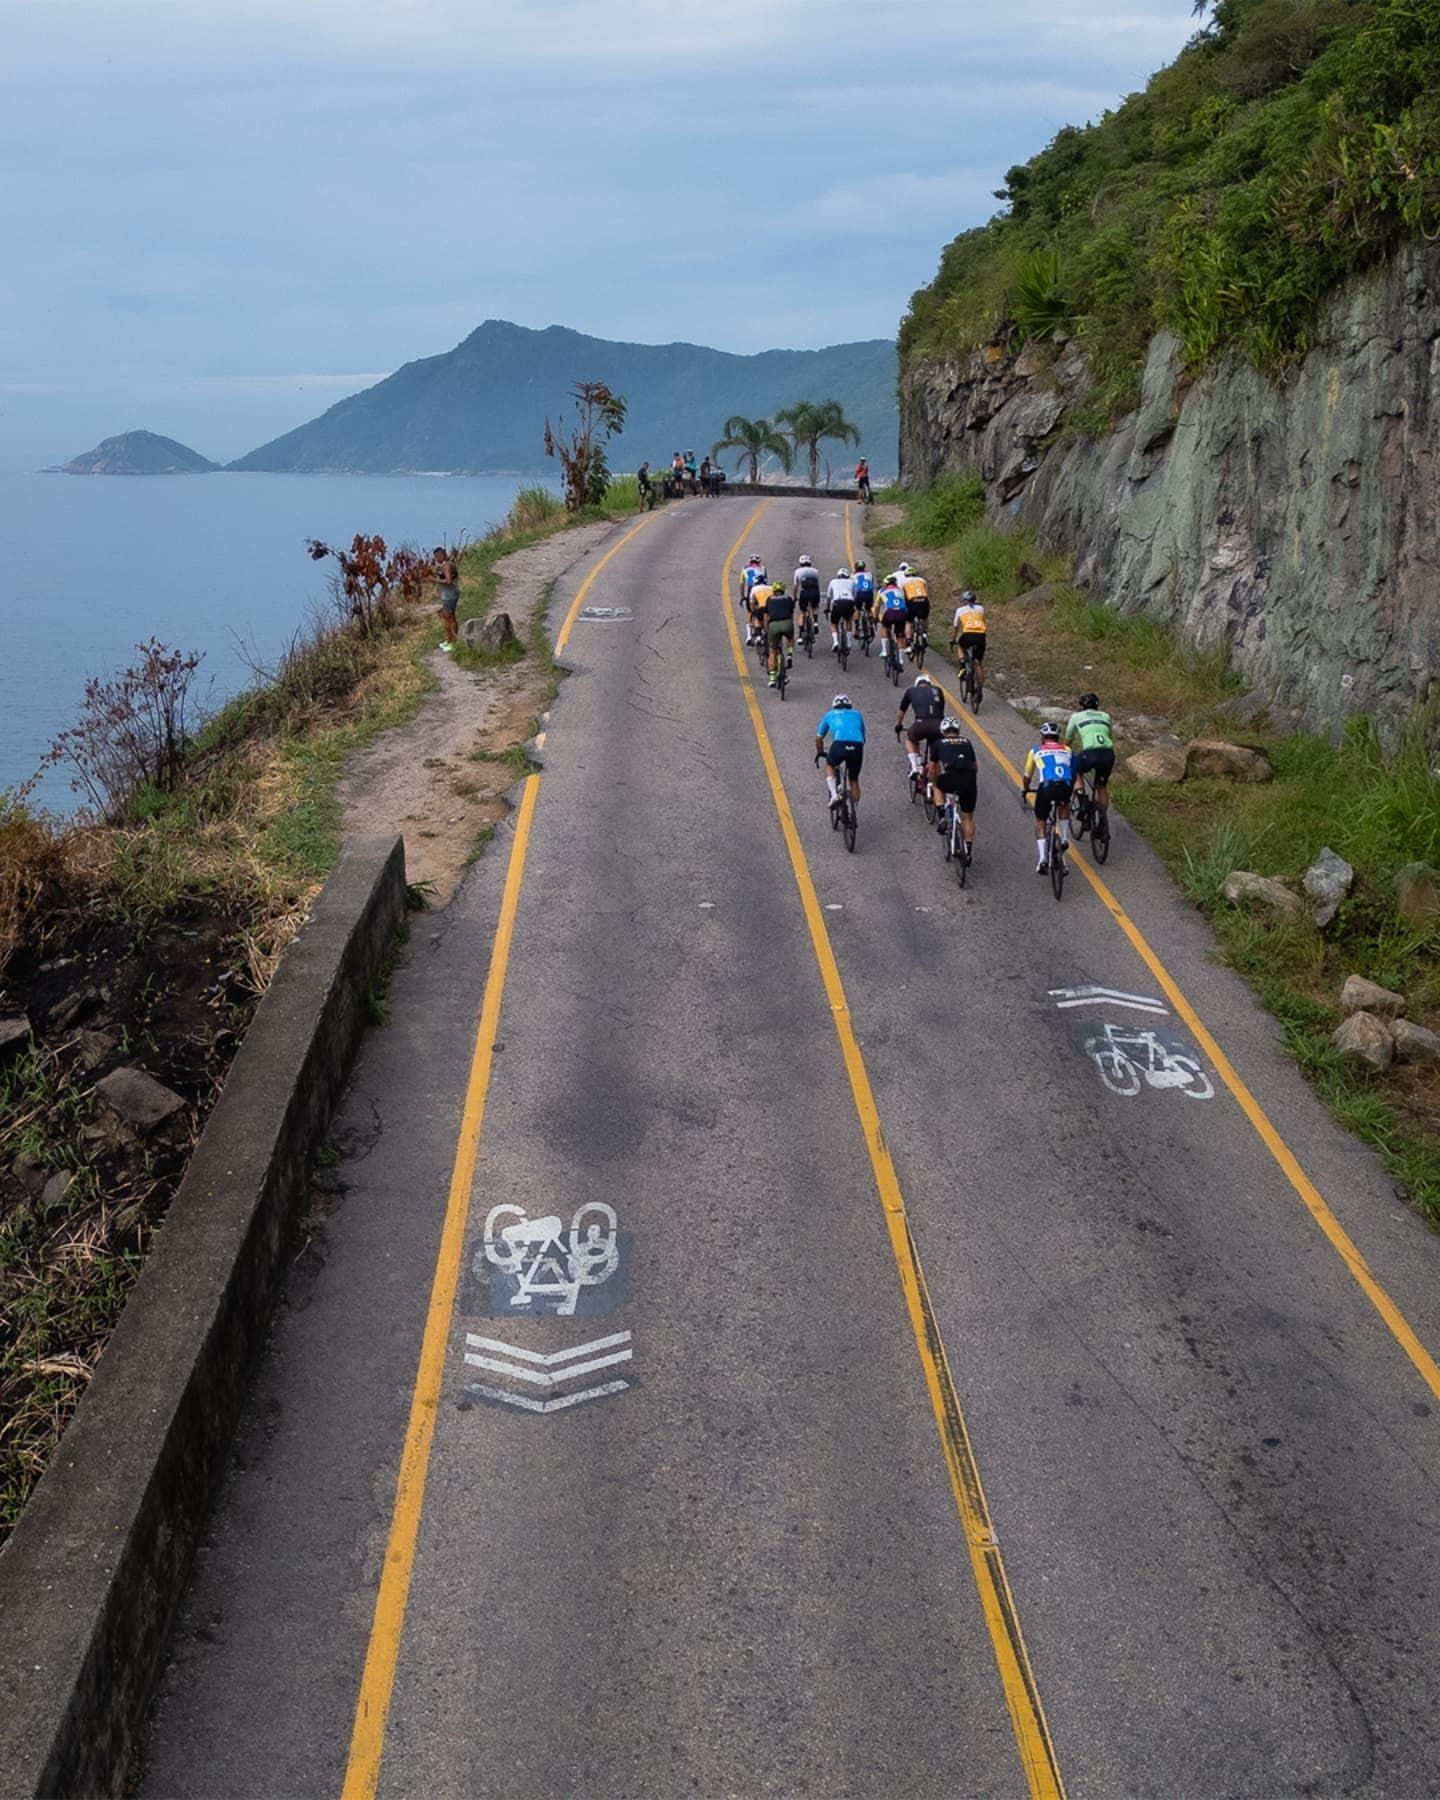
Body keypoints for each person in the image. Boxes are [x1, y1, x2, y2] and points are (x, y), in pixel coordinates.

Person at [1021, 722, 1073, 873]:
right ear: (1058, 737)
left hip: (1047, 786)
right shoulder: (1067, 749)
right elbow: (1072, 769)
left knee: (1041, 820)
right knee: (1064, 805)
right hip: (1065, 785)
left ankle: (1043, 859)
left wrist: (1025, 788)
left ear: (1043, 737)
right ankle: (1064, 838)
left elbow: (1027, 776)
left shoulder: (1035, 751)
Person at [928, 718, 978, 860]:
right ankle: (968, 851)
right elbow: (975, 767)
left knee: (937, 785)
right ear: (958, 731)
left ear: (943, 732)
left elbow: (932, 768)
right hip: (969, 780)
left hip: (951, 776)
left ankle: (942, 816)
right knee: (967, 817)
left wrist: (932, 781)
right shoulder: (967, 742)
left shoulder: (938, 743)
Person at [815, 692, 866, 818]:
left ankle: (834, 795)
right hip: (857, 746)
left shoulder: (830, 715)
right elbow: (863, 737)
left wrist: (820, 752)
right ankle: (854, 811)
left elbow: (819, 738)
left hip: (839, 745)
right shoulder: (857, 714)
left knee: (830, 765)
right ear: (850, 705)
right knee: (854, 780)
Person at [1065, 692, 1115, 816]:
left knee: (1076, 770)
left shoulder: (1076, 717)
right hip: (1108, 754)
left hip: (1090, 754)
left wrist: (1066, 753)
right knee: (1102, 787)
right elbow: (1109, 735)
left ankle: (1083, 802)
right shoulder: (1106, 716)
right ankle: (1102, 821)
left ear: (1082, 705)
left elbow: (1068, 740)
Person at [894, 671, 945, 779]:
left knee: (910, 738)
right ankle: (937, 785)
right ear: (930, 684)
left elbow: (901, 712)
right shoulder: (938, 690)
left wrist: (898, 725)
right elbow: (941, 710)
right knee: (935, 756)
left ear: (916, 685)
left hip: (920, 724)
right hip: (939, 726)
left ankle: (916, 766)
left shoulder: (910, 691)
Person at [950, 590, 987, 695]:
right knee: (978, 663)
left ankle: (962, 665)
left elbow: (956, 627)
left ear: (964, 601)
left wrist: (953, 639)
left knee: (960, 645)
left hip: (968, 635)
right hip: (981, 636)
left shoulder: (960, 610)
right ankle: (980, 688)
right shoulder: (981, 609)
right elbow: (983, 622)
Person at [765, 579, 796, 687]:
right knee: (790, 638)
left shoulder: (769, 599)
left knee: (772, 651)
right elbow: (791, 613)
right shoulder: (788, 598)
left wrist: (767, 627)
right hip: (787, 623)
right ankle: (789, 654)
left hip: (774, 625)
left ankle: (772, 678)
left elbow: (766, 615)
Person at [877, 572, 909, 662]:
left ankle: (884, 651)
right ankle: (901, 659)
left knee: (884, 627)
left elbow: (876, 606)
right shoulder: (901, 591)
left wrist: (875, 617)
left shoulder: (882, 591)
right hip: (902, 613)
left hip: (890, 612)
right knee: (900, 636)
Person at [433, 545, 459, 650]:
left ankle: (453, 641)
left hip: (450, 595)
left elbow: (448, 581)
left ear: (441, 555)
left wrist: (434, 580)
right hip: (448, 594)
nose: (436, 559)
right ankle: (449, 639)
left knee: (449, 618)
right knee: (448, 617)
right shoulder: (448, 564)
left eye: (437, 557)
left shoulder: (447, 566)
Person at [793, 555, 822, 644]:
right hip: (814, 591)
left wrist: (795, 597)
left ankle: (801, 636)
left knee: (802, 612)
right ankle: (815, 622)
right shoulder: (815, 571)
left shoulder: (797, 571)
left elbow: (796, 585)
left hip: (804, 592)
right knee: (814, 607)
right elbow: (817, 583)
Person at [826, 566, 856, 652]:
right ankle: (849, 643)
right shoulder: (852, 582)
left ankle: (835, 642)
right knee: (848, 620)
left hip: (837, 602)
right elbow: (854, 596)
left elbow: (828, 597)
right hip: (849, 602)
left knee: (834, 623)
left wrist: (827, 608)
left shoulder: (833, 581)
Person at [901, 566, 930, 650]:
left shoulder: (904, 582)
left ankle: (908, 641)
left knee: (908, 622)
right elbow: (926, 592)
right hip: (924, 600)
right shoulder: (922, 580)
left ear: (906, 575)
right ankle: (924, 634)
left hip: (912, 601)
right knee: (925, 618)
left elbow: (903, 596)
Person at [745, 571, 773, 646]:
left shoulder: (754, 588)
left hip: (761, 607)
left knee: (757, 618)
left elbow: (751, 602)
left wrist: (753, 611)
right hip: (771, 608)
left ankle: (758, 636)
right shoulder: (771, 588)